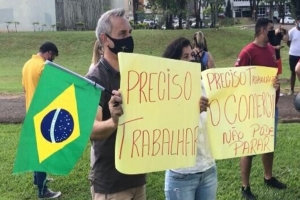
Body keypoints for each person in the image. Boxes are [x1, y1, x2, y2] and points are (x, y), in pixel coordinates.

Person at [85, 8, 146, 200]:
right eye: (122, 34)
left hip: (137, 178)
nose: (128, 38)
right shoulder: (94, 80)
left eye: (129, 33)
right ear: (105, 39)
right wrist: (113, 121)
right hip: (111, 185)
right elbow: (91, 128)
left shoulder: (137, 75)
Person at [235, 18, 286, 200]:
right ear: (263, 30)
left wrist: (274, 82)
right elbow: (236, 79)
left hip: (271, 107)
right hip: (253, 110)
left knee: (269, 145)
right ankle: (245, 187)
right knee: (249, 149)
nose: (274, 32)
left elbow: (275, 73)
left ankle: (268, 177)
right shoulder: (248, 52)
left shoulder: (272, 50)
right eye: (271, 29)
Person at [163, 37, 217, 200]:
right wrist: (191, 110)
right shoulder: (163, 93)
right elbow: (162, 125)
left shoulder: (204, 85)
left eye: (191, 55)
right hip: (181, 175)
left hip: (208, 170)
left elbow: (232, 97)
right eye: (184, 56)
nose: (191, 59)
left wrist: (266, 86)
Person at [22, 42, 61, 199]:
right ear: (49, 53)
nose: (53, 60)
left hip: (30, 113)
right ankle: (43, 190)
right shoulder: (44, 67)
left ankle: (37, 179)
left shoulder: (27, 65)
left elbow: (25, 88)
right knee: (42, 153)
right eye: (53, 57)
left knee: (36, 151)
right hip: (41, 115)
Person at [286, 16, 300, 95]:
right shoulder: (292, 31)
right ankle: (291, 90)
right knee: (293, 72)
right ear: (296, 22)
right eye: (299, 22)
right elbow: (288, 41)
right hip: (293, 54)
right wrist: (293, 48)